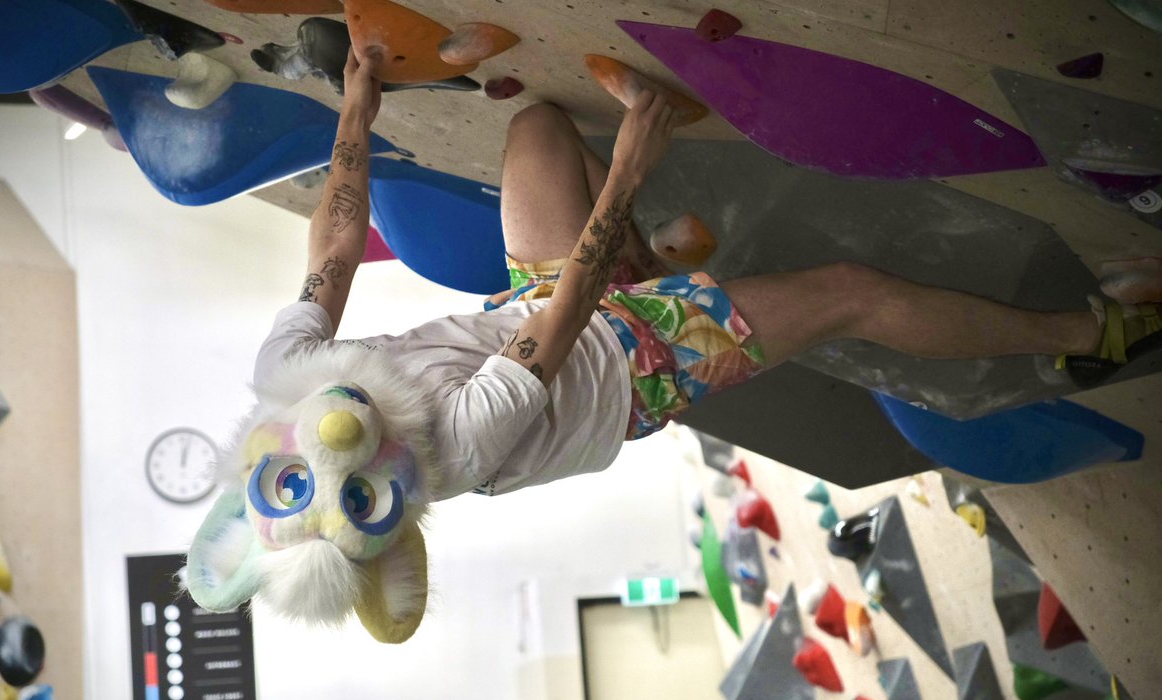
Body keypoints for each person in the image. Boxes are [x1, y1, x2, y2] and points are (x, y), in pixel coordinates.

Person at [185, 48, 1159, 641]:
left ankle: (655, 260)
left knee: (532, 129)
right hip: (627, 366)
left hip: (523, 306)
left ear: (256, 462)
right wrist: (634, 153)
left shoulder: (288, 376)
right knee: (852, 295)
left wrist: (356, 98)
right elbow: (569, 321)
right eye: (351, 497)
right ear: (388, 523)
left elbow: (335, 245)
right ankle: (1086, 333)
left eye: (288, 480)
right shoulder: (453, 447)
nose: (332, 453)